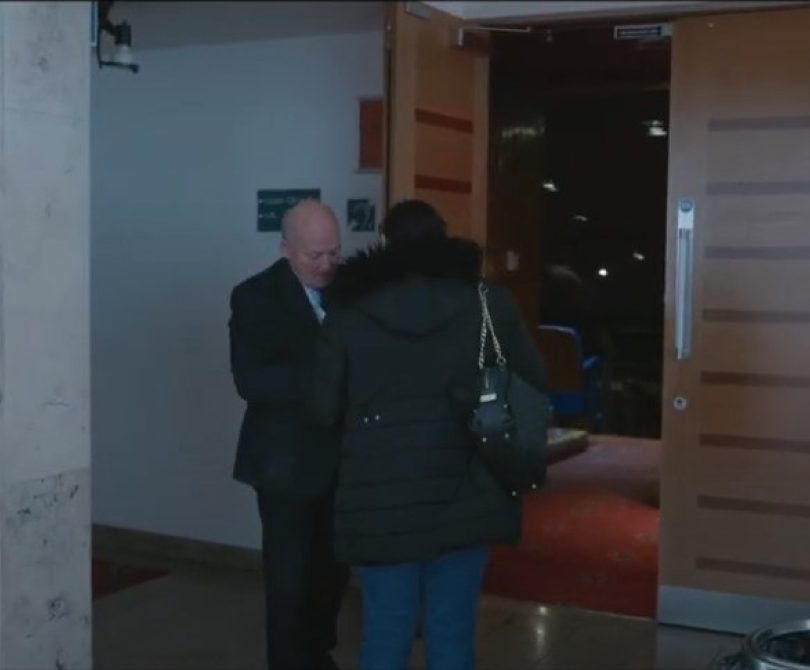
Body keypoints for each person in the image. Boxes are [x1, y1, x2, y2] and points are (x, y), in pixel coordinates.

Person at [305, 199, 547, 670]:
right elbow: (532, 379)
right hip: (468, 493)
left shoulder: (349, 312)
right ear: (444, 238)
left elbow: (322, 409)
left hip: (379, 504)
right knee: (452, 633)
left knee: (385, 634)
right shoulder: (486, 301)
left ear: (384, 243)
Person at [228, 200, 349, 670]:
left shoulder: (349, 290)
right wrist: (327, 377)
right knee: (288, 579)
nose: (326, 265)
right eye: (314, 255)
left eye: (333, 253)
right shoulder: (255, 296)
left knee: (332, 571)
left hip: (342, 459)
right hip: (285, 463)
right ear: (286, 250)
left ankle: (317, 653)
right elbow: (251, 381)